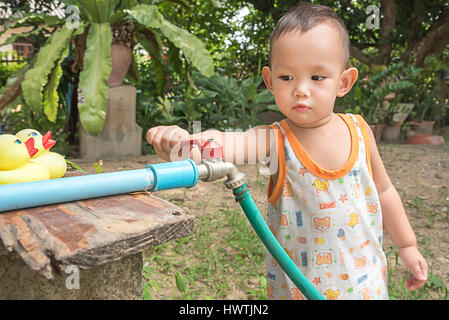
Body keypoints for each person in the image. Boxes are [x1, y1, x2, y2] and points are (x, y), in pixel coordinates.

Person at [146, 2, 428, 300]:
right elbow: (225, 143)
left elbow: (384, 191)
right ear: (269, 80)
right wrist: (183, 142)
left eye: (317, 77)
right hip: (298, 292)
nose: (301, 89)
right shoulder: (274, 142)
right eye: (286, 77)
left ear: (344, 82)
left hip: (366, 287)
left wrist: (407, 245)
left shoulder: (360, 131)